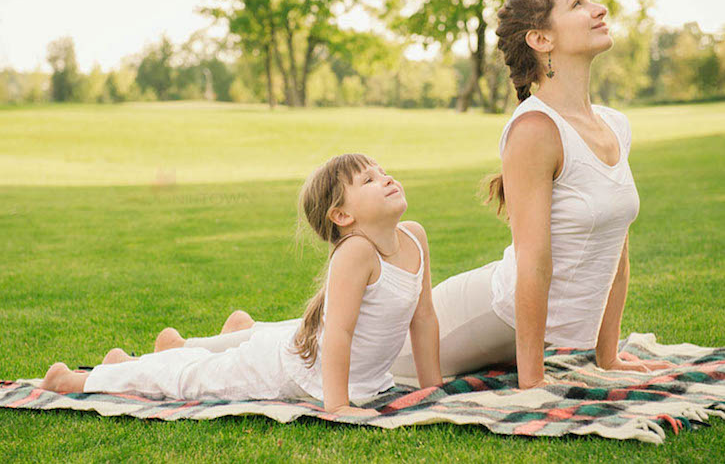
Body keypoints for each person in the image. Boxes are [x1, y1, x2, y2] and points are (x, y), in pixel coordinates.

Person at [157, 0, 672, 389]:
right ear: (541, 40)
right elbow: (533, 263)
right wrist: (532, 381)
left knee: (349, 336)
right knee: (361, 354)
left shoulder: (614, 125)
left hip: (527, 316)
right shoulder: (536, 130)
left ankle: (244, 331)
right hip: (491, 314)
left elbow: (615, 251)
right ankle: (193, 350)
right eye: (578, 3)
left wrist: (608, 356)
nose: (598, 8)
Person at [40, 154, 442, 415]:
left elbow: (423, 320)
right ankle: (77, 379)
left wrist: (433, 390)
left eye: (383, 172)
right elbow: (338, 333)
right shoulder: (356, 253)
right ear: (341, 216)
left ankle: (222, 337)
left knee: (218, 359)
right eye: (369, 180)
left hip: (365, 382)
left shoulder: (414, 237)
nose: (387, 179)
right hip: (288, 374)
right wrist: (337, 405)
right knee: (191, 380)